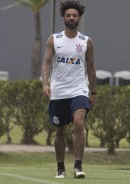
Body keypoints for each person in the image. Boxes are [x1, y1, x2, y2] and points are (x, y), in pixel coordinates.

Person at [41, 0, 96, 179]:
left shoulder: (86, 41)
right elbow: (47, 62)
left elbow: (91, 67)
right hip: (59, 92)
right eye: (68, 15)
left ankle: (78, 166)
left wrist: (93, 92)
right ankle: (60, 168)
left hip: (79, 89)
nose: (71, 18)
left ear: (79, 17)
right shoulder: (54, 39)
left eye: (74, 15)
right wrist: (45, 83)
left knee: (79, 123)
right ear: (63, 18)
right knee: (60, 130)